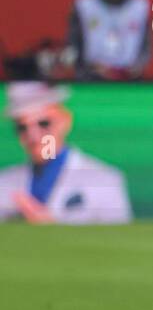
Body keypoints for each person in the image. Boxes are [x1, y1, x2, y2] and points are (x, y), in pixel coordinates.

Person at [0, 82, 132, 225]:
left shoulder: (105, 179)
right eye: (22, 127)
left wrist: (51, 228)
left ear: (65, 121)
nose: (33, 135)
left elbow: (117, 240)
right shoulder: (4, 182)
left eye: (44, 123)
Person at [66, 0, 151, 79]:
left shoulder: (139, 5)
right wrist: (86, 66)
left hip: (129, 78)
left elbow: (146, 43)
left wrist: (139, 65)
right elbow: (73, 42)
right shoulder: (85, 4)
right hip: (91, 77)